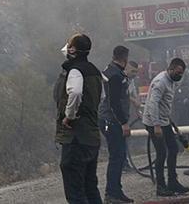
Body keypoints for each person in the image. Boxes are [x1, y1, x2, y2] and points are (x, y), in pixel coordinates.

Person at [53, 33, 103, 204]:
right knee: (90, 186)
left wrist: (69, 116)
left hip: (76, 138)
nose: (66, 46)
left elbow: (75, 92)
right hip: (91, 136)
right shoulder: (95, 71)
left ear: (73, 49)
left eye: (69, 44)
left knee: (75, 190)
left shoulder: (75, 71)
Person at [142, 58, 189, 197]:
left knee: (173, 149)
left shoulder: (171, 81)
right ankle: (161, 187)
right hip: (153, 122)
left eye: (182, 73)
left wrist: (171, 123)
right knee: (162, 153)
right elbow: (152, 104)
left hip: (164, 121)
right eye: (178, 72)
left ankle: (173, 182)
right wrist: (156, 125)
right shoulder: (161, 82)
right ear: (171, 68)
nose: (179, 75)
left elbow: (164, 104)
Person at [98, 46, 133, 203]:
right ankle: (112, 194)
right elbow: (114, 103)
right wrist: (124, 123)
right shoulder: (115, 76)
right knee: (117, 157)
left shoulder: (108, 71)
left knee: (118, 156)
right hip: (112, 121)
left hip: (107, 119)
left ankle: (116, 191)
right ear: (124, 59)